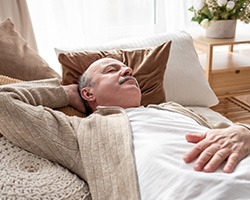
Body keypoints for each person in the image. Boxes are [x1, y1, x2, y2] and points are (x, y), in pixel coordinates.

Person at [1, 57, 250, 199]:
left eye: (126, 68)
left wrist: (243, 131)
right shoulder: (82, 132)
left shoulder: (174, 108)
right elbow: (4, 103)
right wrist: (66, 92)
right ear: (88, 92)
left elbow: (227, 130)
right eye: (112, 70)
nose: (128, 70)